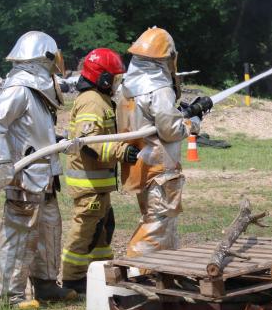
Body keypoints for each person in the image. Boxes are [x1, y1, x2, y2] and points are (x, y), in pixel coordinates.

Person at [0, 31, 77, 307]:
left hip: (44, 177)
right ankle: (7, 296)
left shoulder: (37, 89)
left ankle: (46, 285)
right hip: (24, 178)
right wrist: (2, 162)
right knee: (19, 235)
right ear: (44, 58)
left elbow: (32, 132)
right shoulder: (20, 88)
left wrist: (59, 142)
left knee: (48, 230)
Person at [115, 27, 212, 259]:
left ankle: (164, 274)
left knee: (162, 223)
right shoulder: (158, 89)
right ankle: (134, 272)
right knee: (156, 224)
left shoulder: (125, 87)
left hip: (140, 166)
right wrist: (193, 122)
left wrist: (182, 113)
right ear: (166, 58)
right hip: (160, 169)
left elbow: (153, 121)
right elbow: (170, 131)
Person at [61, 48, 140, 294]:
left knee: (103, 228)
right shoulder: (92, 101)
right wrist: (121, 152)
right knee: (85, 229)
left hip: (98, 183)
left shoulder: (101, 99)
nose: (117, 83)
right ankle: (73, 279)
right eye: (114, 78)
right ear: (103, 78)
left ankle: (98, 272)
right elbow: (89, 142)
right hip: (88, 183)